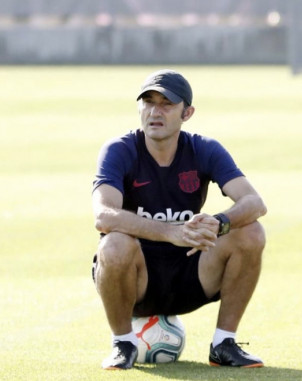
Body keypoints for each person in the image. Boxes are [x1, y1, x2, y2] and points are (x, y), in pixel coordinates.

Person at [92, 69, 266, 370]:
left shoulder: (203, 149)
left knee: (251, 232)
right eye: (148, 102)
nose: (155, 112)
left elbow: (254, 202)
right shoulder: (119, 150)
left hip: (191, 273)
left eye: (166, 104)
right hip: (137, 281)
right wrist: (170, 232)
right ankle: (123, 343)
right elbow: (103, 216)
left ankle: (223, 343)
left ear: (187, 112)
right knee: (113, 243)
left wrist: (219, 221)